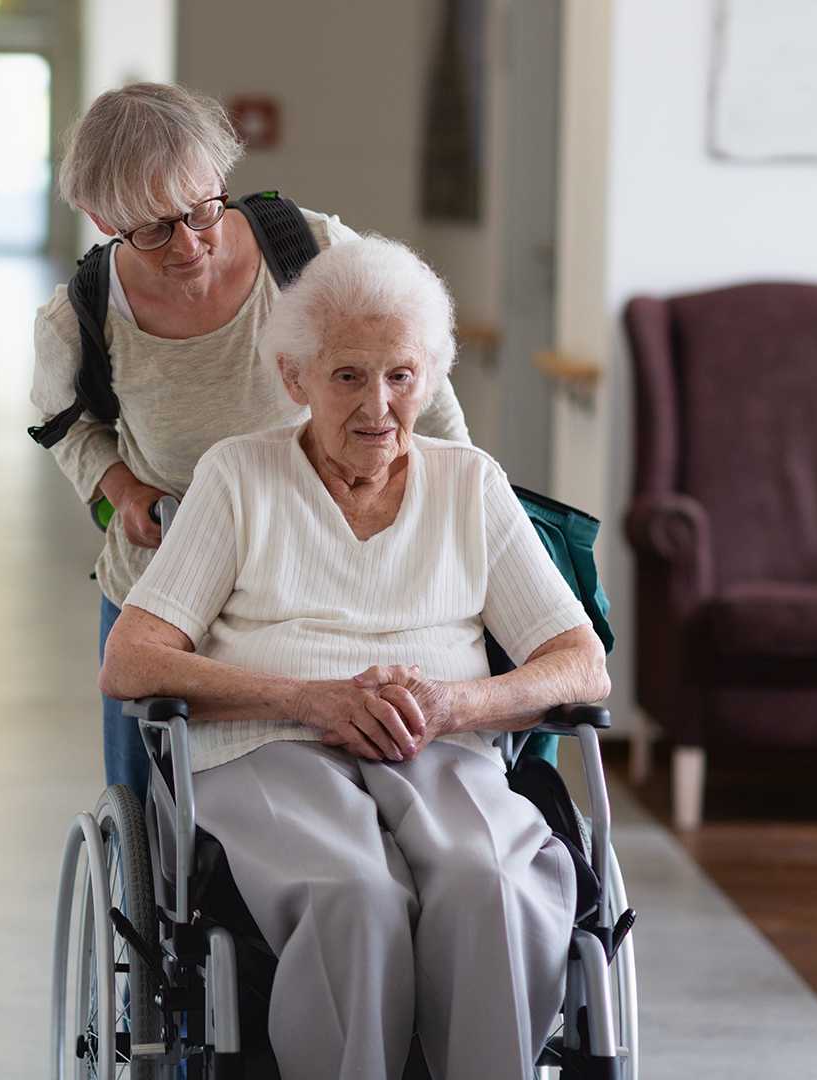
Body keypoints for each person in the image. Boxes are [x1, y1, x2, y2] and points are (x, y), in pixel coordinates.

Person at [99, 237, 611, 1080]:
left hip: (441, 744)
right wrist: (310, 699)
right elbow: (132, 660)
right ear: (295, 379)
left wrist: (453, 705)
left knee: (491, 882)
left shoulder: (471, 483)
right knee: (354, 895)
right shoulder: (238, 477)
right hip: (268, 746)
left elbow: (580, 663)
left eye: (401, 375)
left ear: (430, 378)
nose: (378, 405)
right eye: (347, 376)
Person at [30, 83, 470, 800]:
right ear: (101, 219)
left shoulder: (313, 254)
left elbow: (419, 384)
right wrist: (120, 491)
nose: (188, 245)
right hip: (170, 578)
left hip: (313, 574)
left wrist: (461, 497)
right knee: (149, 804)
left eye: (202, 210)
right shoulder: (79, 318)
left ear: (220, 177)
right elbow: (67, 425)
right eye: (152, 229)